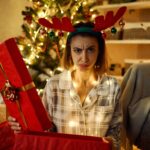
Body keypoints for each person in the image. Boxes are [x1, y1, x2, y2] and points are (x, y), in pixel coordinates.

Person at [8, 22, 122, 150]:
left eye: (90, 49)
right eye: (77, 50)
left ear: (99, 51)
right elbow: (44, 132)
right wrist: (23, 125)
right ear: (69, 52)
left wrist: (109, 143)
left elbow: (116, 132)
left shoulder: (112, 87)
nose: (84, 58)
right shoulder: (54, 86)